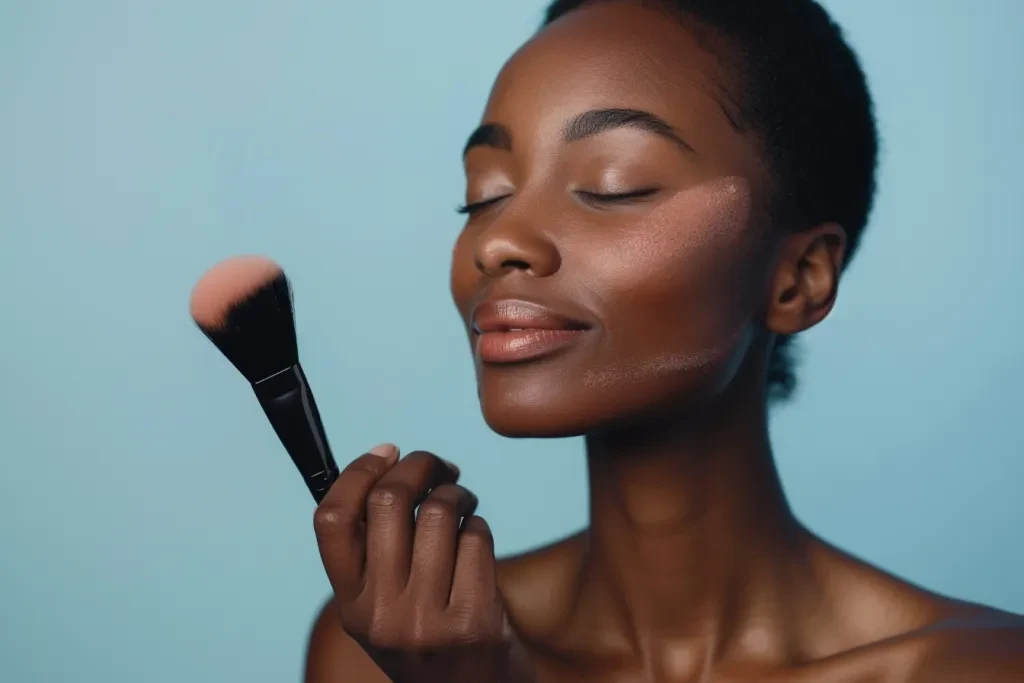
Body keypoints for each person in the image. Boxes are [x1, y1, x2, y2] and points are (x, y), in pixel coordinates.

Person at [304, 1, 1024, 680]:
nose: (498, 241)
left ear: (798, 278)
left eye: (615, 184)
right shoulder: (386, 647)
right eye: (485, 193)